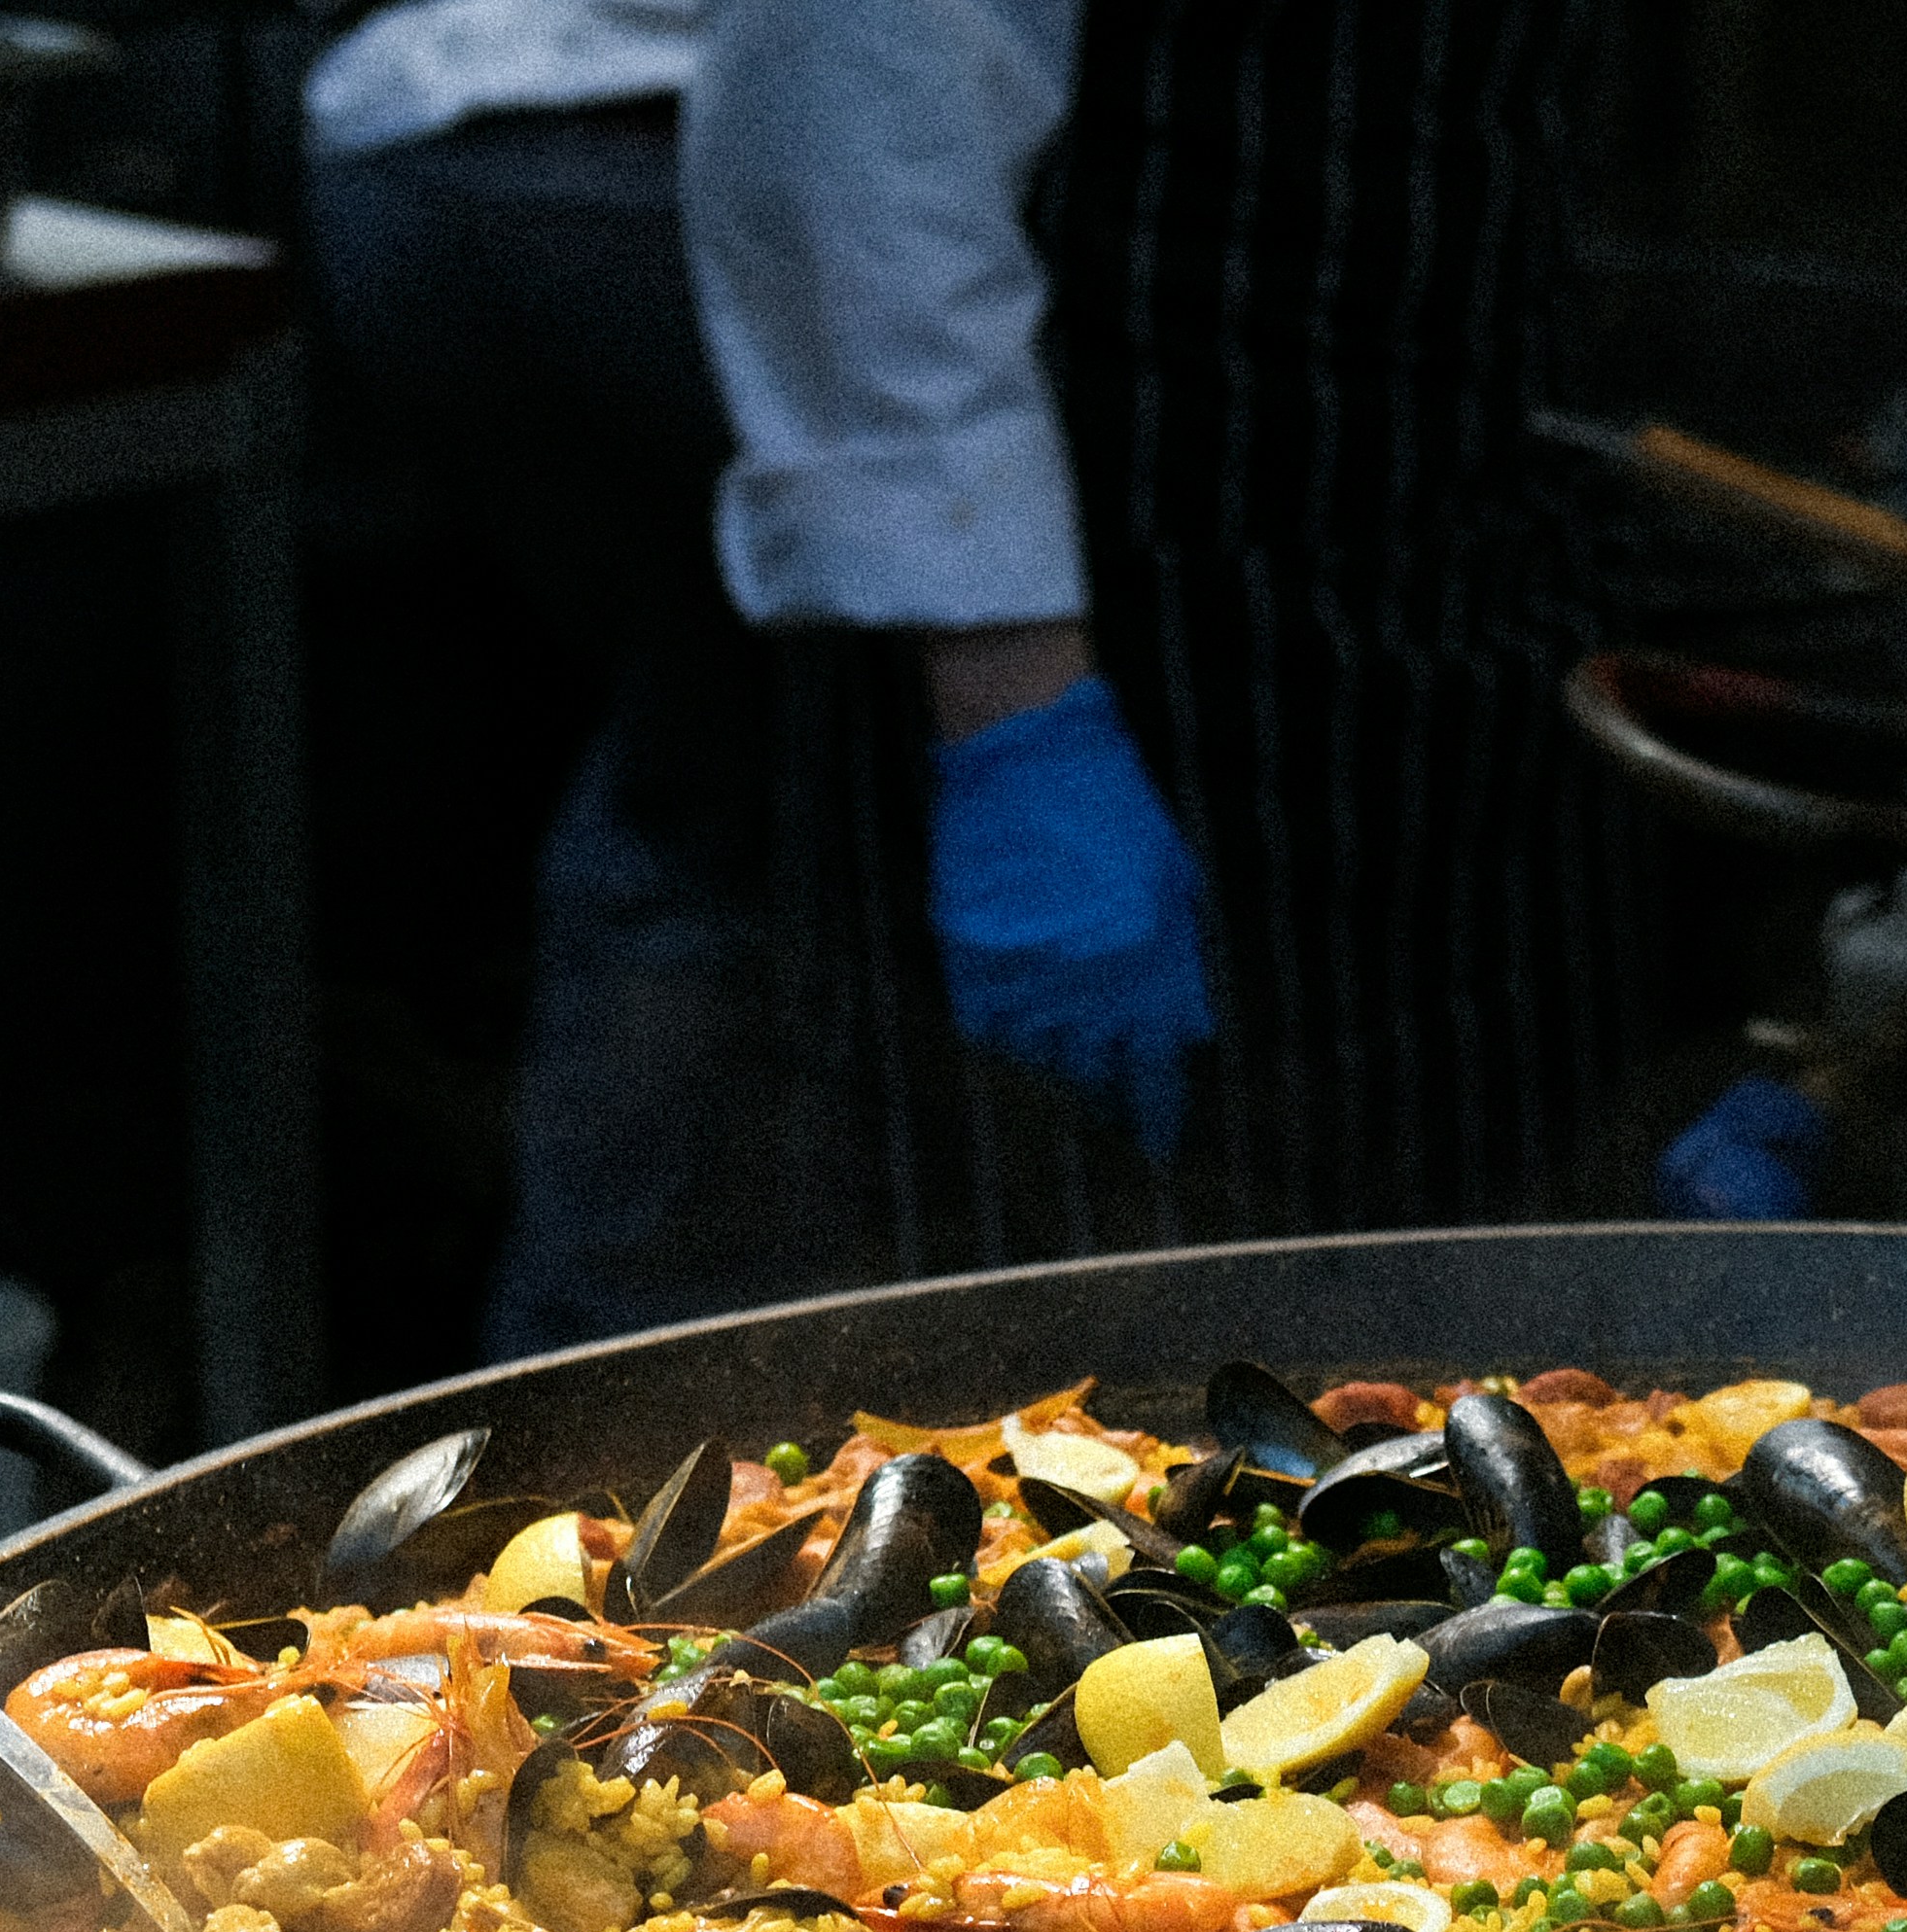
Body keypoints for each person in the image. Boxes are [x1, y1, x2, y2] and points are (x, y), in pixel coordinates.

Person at [303, 0, 1221, 1352]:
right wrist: (1013, 697)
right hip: (624, 168)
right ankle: (648, 1408)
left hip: (473, 141)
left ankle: (606, 1379)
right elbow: (862, 58)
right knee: (765, 850)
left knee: (698, 814)